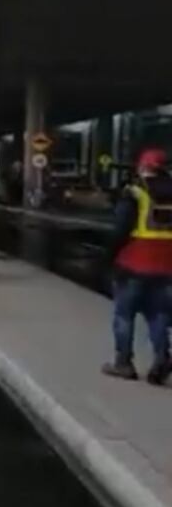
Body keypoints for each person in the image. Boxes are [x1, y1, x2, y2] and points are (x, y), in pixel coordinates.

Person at [101, 148, 172, 385]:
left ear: (142, 168)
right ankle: (161, 358)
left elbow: (120, 230)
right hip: (166, 267)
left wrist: (108, 257)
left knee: (124, 314)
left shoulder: (135, 193)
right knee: (159, 314)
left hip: (133, 264)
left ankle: (123, 363)